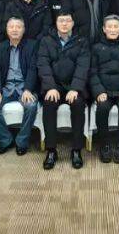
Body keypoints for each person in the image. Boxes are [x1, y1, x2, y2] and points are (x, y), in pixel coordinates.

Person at [37, 12, 91, 169]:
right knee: (49, 103)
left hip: (73, 86)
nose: (65, 24)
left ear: (73, 23)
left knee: (78, 104)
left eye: (68, 21)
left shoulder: (81, 41)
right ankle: (51, 150)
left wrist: (75, 88)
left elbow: (83, 66)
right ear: (56, 23)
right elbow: (43, 65)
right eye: (61, 20)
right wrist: (50, 87)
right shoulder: (46, 41)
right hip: (54, 86)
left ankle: (76, 150)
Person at [0, 17, 40, 155]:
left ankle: (22, 142)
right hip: (7, 88)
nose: (15, 30)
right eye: (11, 27)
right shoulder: (0, 48)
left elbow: (33, 69)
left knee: (31, 106)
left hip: (24, 87)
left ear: (24, 30)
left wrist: (28, 89)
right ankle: (5, 140)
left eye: (18, 27)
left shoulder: (32, 46)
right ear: (7, 30)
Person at [90, 15, 119, 164]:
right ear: (104, 29)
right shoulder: (96, 47)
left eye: (115, 26)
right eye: (109, 27)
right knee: (102, 109)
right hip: (104, 91)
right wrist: (99, 91)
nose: (112, 29)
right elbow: (92, 72)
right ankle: (104, 145)